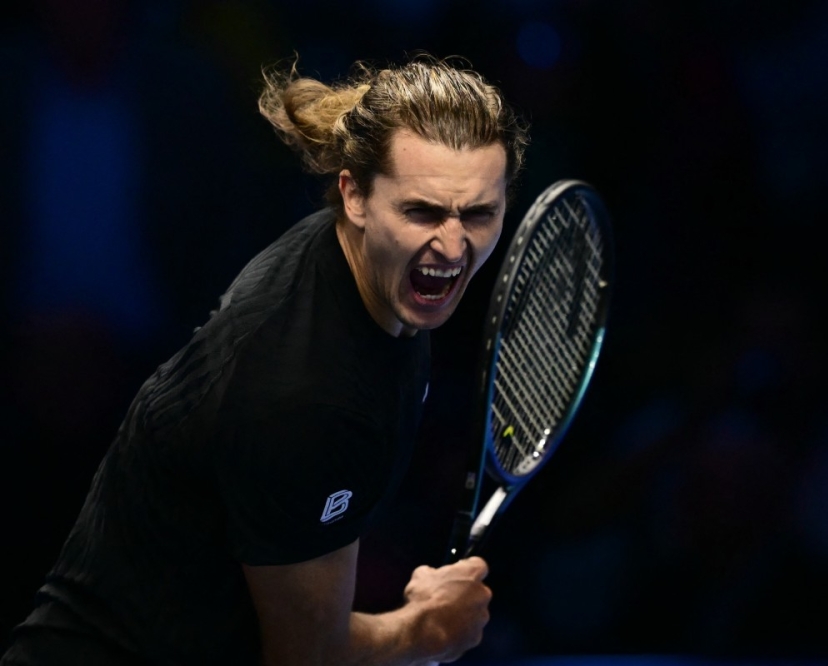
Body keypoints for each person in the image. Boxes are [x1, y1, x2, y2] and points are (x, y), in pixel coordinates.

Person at [0, 53, 530, 666]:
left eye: (479, 214)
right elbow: (306, 656)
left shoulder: (369, 268)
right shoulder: (305, 396)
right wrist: (425, 630)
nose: (454, 246)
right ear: (354, 196)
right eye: (423, 211)